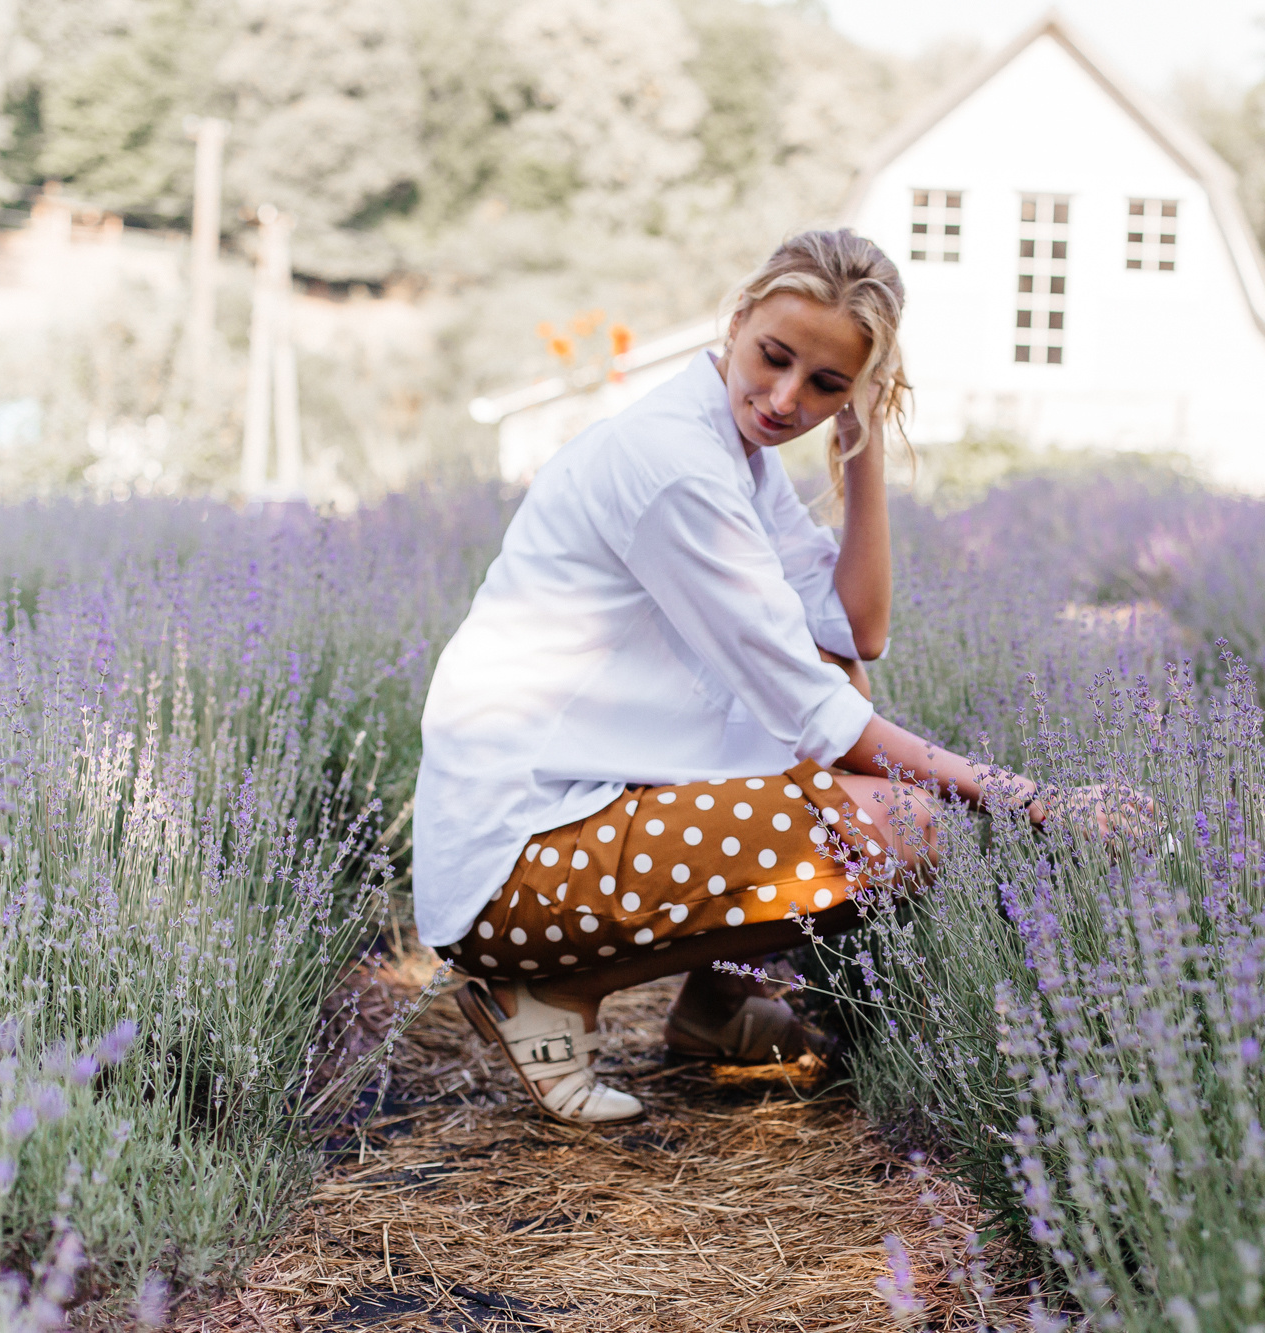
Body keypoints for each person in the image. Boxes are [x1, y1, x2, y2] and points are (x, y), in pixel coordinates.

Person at [412, 229, 1038, 1125]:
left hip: (571, 819)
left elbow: (855, 628)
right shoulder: (675, 466)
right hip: (512, 866)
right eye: (774, 358)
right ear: (737, 319)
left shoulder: (734, 449)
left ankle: (715, 1007)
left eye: (826, 383)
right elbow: (819, 717)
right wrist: (1028, 798)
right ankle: (549, 991)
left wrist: (862, 447)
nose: (786, 400)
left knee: (841, 679)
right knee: (903, 825)